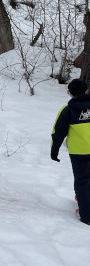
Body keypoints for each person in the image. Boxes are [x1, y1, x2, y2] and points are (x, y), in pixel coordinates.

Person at [51, 78, 90, 225]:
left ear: (69, 92)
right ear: (86, 91)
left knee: (82, 181)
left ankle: (86, 215)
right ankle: (83, 199)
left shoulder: (67, 110)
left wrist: (54, 151)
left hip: (79, 153)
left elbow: (58, 133)